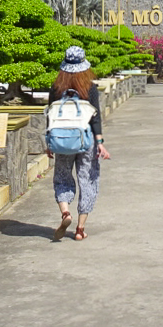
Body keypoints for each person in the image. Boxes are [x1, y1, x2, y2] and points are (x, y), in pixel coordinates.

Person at [48, 46, 110, 242]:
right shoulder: (89, 88)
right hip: (86, 140)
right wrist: (100, 142)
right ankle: (80, 229)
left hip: (61, 140)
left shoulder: (56, 87)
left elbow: (50, 116)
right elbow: (95, 118)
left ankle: (65, 212)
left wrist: (49, 143)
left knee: (62, 177)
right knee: (88, 180)